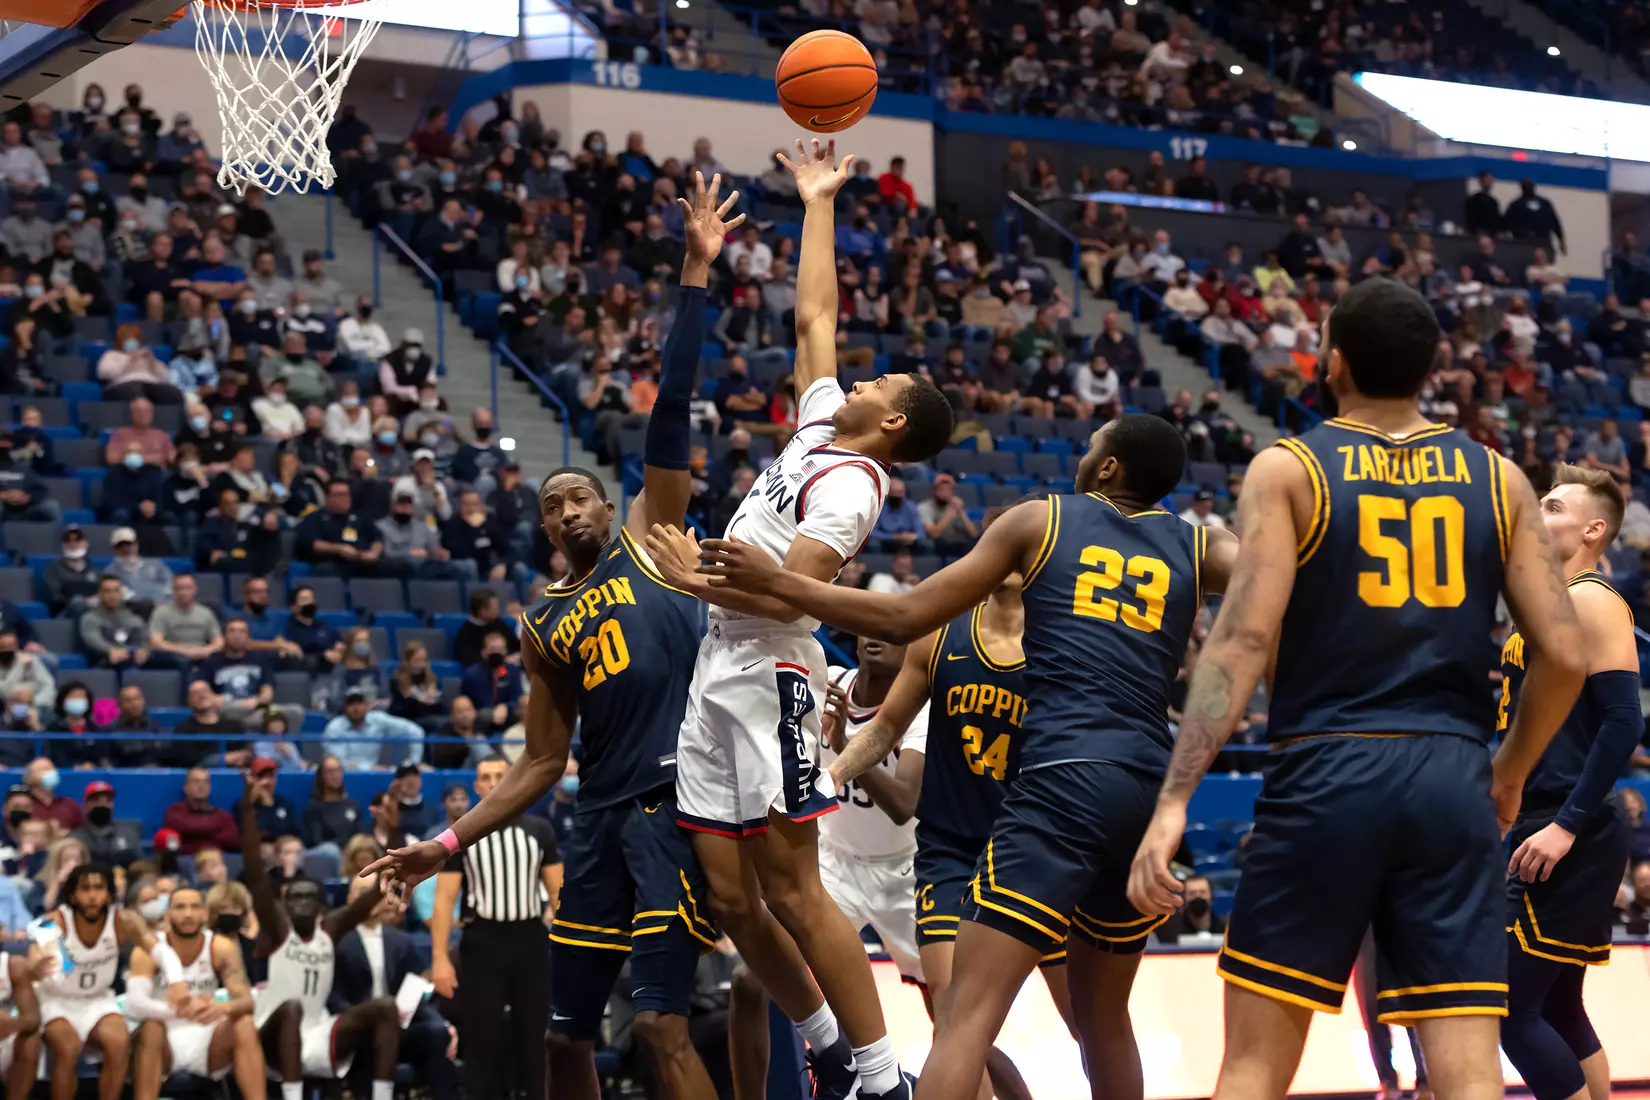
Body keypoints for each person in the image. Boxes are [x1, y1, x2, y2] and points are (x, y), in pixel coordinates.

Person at [669, 412, 1233, 1100]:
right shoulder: (1197, 541)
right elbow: (1275, 576)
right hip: (1142, 788)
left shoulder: (1043, 522)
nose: (1083, 455)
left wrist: (775, 582)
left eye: (1091, 448)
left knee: (964, 1018)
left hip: (1052, 796)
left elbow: (903, 616)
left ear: (1108, 468)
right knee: (1105, 1018)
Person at [1124, 279, 1587, 1100]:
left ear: (1332, 362)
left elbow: (1241, 641)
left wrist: (1174, 799)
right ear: (1432, 367)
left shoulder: (1291, 468)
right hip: (1451, 776)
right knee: (1470, 1073)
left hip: (1326, 770)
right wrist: (1508, 774)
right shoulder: (1499, 478)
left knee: (1255, 1067)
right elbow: (1564, 654)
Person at [364, 171, 743, 1100]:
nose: (566, 504)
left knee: (661, 1025)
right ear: (543, 528)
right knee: (563, 1045)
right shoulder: (542, 621)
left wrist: (694, 275)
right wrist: (440, 847)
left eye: (578, 493)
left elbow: (670, 408)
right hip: (596, 820)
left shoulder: (658, 541)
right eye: (551, 502)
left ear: (608, 507)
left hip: (672, 805)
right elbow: (539, 763)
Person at [638, 140, 954, 1100]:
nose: (859, 382)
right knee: (729, 897)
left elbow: (793, 593)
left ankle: (878, 1071)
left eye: (877, 388)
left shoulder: (853, 485)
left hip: (773, 662)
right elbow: (816, 317)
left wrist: (698, 578)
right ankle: (825, 1043)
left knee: (791, 884)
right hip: (716, 660)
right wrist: (818, 200)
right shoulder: (822, 427)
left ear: (893, 425)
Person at [1495, 465, 1639, 1100]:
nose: (1537, 514)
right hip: (1543, 817)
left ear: (1594, 528)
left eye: (1552, 507)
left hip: (1564, 824)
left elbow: (1623, 720)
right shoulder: (1549, 602)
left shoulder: (1590, 597)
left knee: (1508, 1008)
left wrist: (1566, 825)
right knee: (1557, 1007)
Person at [376, 755, 560, 1100]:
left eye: (499, 776)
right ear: (477, 787)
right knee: (482, 1039)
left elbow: (557, 893)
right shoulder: (462, 835)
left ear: (513, 779)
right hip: (482, 942)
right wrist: (441, 958)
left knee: (537, 1038)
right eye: (486, 777)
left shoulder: (540, 830)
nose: (493, 782)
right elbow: (444, 901)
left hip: (531, 942)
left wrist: (566, 948)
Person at [238, 772, 400, 1100]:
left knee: (385, 1007)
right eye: (294, 897)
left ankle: (383, 1095)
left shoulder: (331, 929)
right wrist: (247, 811)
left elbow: (374, 893)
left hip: (318, 1031)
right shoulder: (277, 929)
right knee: (293, 1007)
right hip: (271, 1032)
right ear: (284, 903)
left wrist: (389, 833)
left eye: (308, 897)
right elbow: (255, 873)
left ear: (321, 907)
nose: (301, 902)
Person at [127, 887, 265, 1100]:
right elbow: (134, 1005)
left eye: (194, 907)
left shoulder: (221, 947)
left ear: (205, 914)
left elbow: (247, 1001)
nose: (188, 914)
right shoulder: (148, 951)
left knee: (244, 1022)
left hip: (207, 1040)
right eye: (180, 907)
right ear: (167, 915)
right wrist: (180, 1010)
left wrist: (221, 1007)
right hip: (162, 1041)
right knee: (151, 1026)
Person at [37, 864, 157, 1100]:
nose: (92, 896)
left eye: (99, 888)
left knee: (120, 1043)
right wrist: (38, 964)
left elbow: (158, 949)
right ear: (73, 894)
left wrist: (176, 980)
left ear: (110, 893)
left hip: (97, 999)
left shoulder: (123, 920)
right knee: (68, 1048)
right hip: (56, 1000)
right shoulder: (51, 921)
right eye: (85, 889)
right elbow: (41, 960)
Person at [331, 877, 457, 1100]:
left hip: (400, 1026)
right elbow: (334, 997)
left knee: (437, 1034)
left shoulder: (400, 941)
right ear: (350, 899)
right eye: (360, 892)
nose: (366, 898)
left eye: (370, 892)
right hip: (359, 1030)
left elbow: (418, 992)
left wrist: (444, 1024)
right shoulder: (338, 941)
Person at [0, 941, 44, 1100]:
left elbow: (33, 1019)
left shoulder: (13, 966)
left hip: (3, 1040)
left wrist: (15, 1024)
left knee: (30, 1041)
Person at [161, 769, 240, 854]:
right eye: (196, 782)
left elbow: (234, 840)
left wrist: (193, 835)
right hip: (185, 861)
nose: (201, 786)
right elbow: (184, 828)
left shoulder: (222, 815)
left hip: (218, 859)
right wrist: (215, 832)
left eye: (206, 782)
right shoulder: (175, 811)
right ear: (186, 788)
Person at [69, 782, 140, 870]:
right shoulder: (76, 837)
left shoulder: (128, 832)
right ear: (86, 804)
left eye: (108, 800)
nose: (102, 804)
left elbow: (139, 865)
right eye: (96, 800)